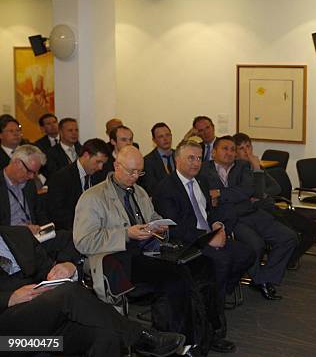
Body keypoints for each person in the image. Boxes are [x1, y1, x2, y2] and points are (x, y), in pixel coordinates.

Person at [73, 145, 234, 356]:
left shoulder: (138, 192)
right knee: (176, 277)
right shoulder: (93, 197)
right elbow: (83, 241)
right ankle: (177, 344)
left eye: (139, 172)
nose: (135, 177)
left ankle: (209, 333)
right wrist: (126, 234)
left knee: (203, 265)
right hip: (116, 258)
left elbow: (153, 218)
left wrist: (159, 226)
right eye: (130, 171)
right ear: (116, 166)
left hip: (146, 250)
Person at [0, 225, 185, 357]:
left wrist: (67, 266)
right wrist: (10, 298)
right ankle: (141, 337)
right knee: (68, 294)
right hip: (8, 341)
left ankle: (137, 338)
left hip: (47, 331)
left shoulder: (19, 234)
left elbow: (46, 271)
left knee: (106, 335)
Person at [153, 139, 254, 350]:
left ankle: (218, 295)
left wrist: (217, 225)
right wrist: (208, 237)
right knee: (221, 262)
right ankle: (215, 330)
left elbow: (208, 211)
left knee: (247, 253)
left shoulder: (202, 181)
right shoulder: (166, 187)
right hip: (187, 244)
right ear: (176, 159)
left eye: (199, 158)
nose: (196, 163)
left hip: (208, 233)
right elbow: (175, 228)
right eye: (190, 158)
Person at [199, 136, 298, 300]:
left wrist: (220, 193)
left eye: (232, 149)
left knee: (289, 238)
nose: (230, 152)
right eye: (225, 148)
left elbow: (249, 190)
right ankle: (263, 282)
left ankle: (263, 278)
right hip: (230, 219)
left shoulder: (243, 166)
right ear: (214, 152)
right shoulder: (203, 170)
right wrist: (234, 194)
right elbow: (207, 196)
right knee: (255, 245)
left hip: (252, 212)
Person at [233, 132, 316, 267]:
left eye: (248, 146)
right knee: (291, 235)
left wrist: (261, 194)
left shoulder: (257, 166)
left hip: (273, 208)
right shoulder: (236, 171)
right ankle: (280, 261)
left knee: (315, 229)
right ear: (235, 153)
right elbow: (253, 195)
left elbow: (276, 188)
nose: (247, 151)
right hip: (260, 214)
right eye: (241, 148)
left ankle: (286, 260)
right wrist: (258, 192)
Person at [1, 145, 77, 262]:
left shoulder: (29, 184)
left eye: (35, 173)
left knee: (68, 237)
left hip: (34, 235)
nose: (31, 176)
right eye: (29, 171)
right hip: (10, 240)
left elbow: (39, 211)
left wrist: (46, 228)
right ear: (16, 163)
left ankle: (62, 272)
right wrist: (20, 230)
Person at [46, 138, 110, 231]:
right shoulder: (61, 178)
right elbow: (57, 213)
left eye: (103, 163)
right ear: (86, 155)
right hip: (72, 229)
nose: (100, 167)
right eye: (98, 162)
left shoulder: (100, 175)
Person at [140, 122, 175, 195]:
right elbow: (151, 188)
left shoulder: (180, 155)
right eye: (161, 136)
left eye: (168, 135)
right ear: (154, 140)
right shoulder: (147, 161)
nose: (165, 139)